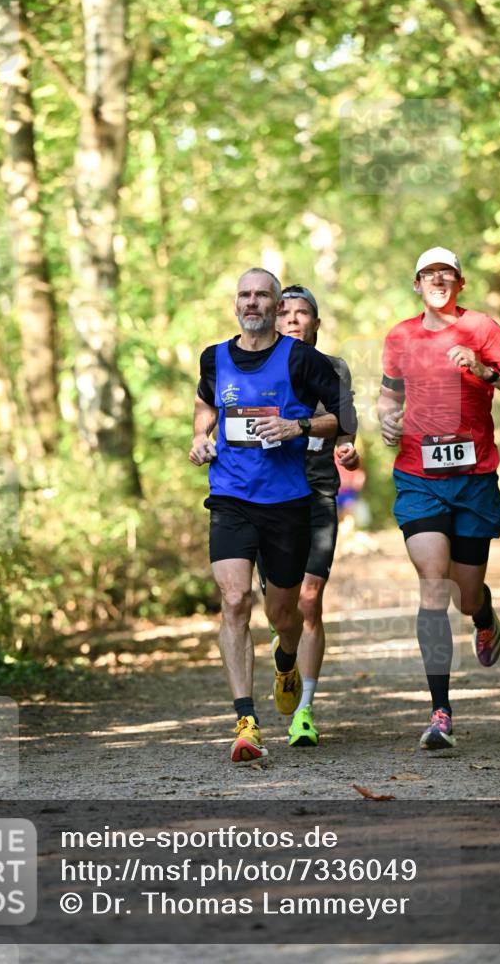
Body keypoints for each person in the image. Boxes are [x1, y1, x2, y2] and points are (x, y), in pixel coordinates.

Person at [189, 268, 357, 763]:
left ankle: (287, 660)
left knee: (286, 614)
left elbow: (342, 415)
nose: (253, 303)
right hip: (231, 497)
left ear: (275, 303)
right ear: (235, 303)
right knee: (236, 598)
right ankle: (246, 722)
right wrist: (201, 437)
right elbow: (204, 403)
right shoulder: (214, 357)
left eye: (263, 295)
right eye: (245, 295)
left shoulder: (301, 358)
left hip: (287, 502)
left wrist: (297, 424)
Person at [377, 246, 500, 751]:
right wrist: (385, 418)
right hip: (418, 477)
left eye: (447, 273)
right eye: (428, 274)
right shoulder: (399, 336)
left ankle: (484, 616)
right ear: (417, 284)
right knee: (431, 582)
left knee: (466, 595)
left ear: (459, 283)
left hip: (474, 480)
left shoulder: (483, 328)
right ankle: (439, 711)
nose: (438, 280)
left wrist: (487, 371)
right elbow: (389, 394)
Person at [258, 285, 360, 747]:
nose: (294, 319)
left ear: (316, 323)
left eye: (304, 313)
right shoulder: (251, 363)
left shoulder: (333, 369)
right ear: (274, 321)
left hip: (318, 493)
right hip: (266, 499)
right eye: (286, 312)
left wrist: (347, 449)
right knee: (280, 612)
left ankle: (305, 711)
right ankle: (285, 659)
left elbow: (345, 425)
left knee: (309, 600)